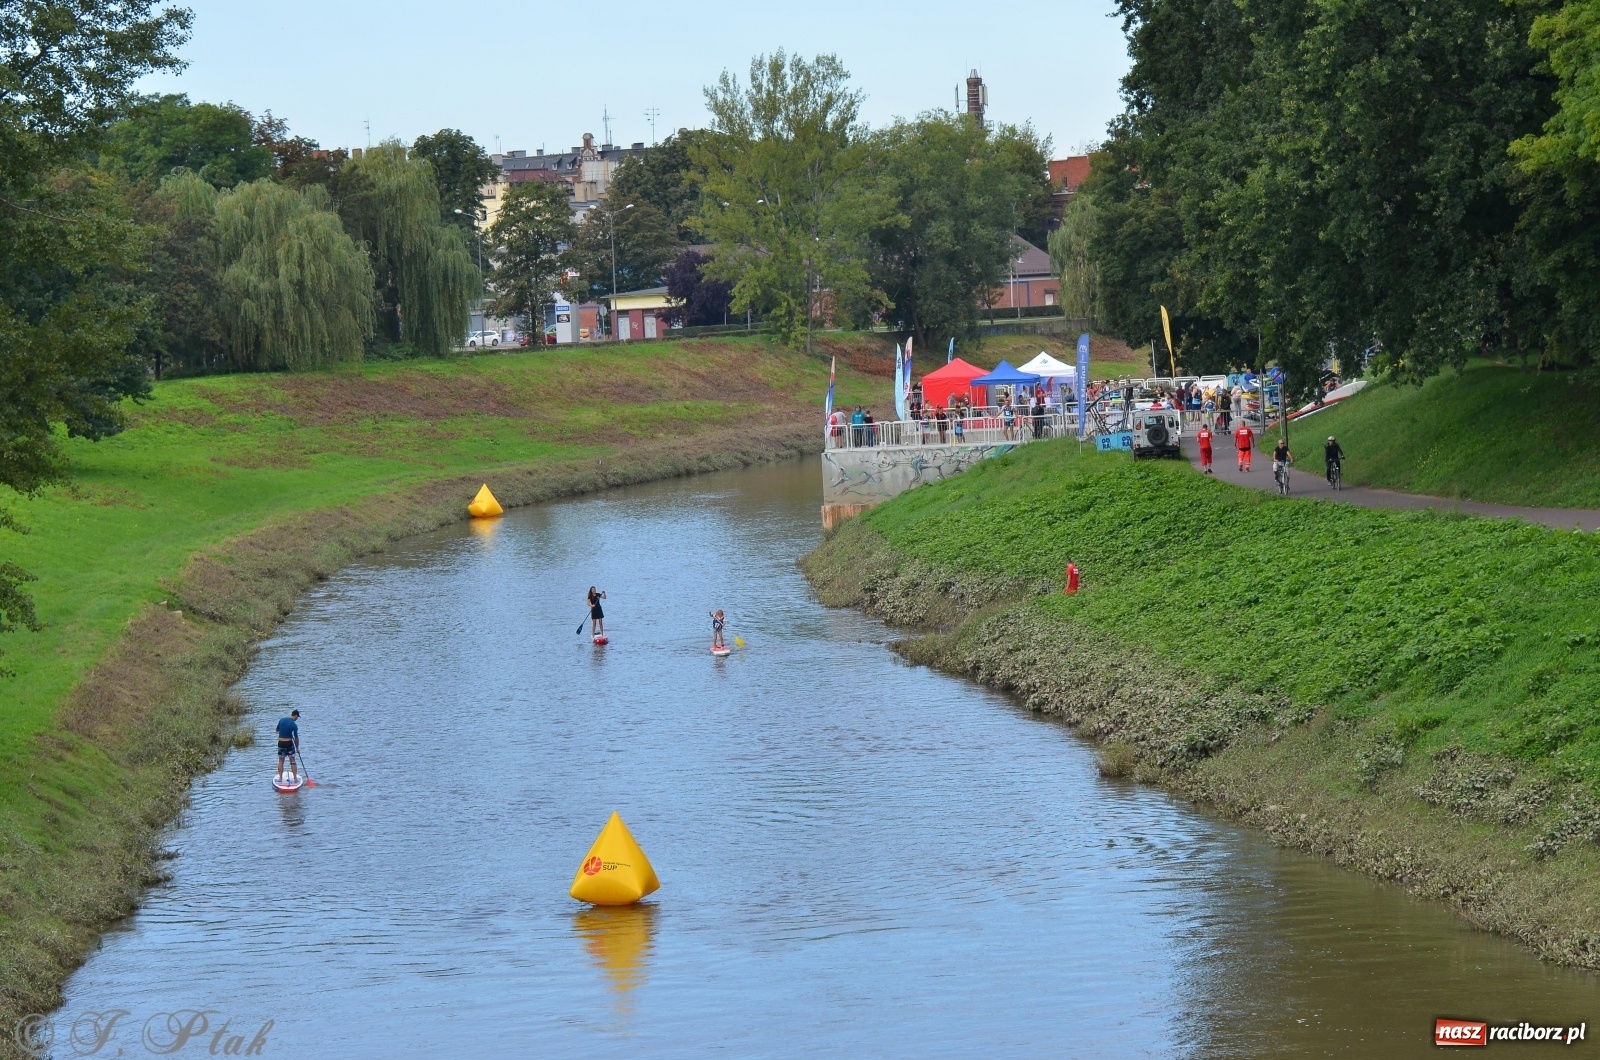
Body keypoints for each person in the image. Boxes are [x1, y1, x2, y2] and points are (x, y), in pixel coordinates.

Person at [276, 709, 301, 783]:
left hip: (281, 743)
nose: (297, 719)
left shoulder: (282, 720)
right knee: (292, 761)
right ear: (295, 715)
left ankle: (280, 778)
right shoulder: (294, 725)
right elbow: (296, 738)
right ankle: (295, 778)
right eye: (297, 717)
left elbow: (277, 730)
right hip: (289, 743)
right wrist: (297, 748)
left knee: (281, 760)